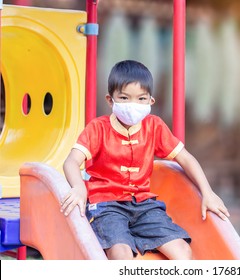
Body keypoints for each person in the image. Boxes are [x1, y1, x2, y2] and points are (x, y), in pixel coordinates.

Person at [60, 60, 230, 260]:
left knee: (183, 252)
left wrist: (207, 192)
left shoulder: (154, 126)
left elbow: (185, 158)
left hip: (143, 205)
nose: (133, 105)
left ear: (151, 101)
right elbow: (71, 161)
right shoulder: (98, 128)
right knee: (121, 254)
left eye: (141, 98)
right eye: (124, 98)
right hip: (106, 205)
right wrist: (79, 188)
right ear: (110, 100)